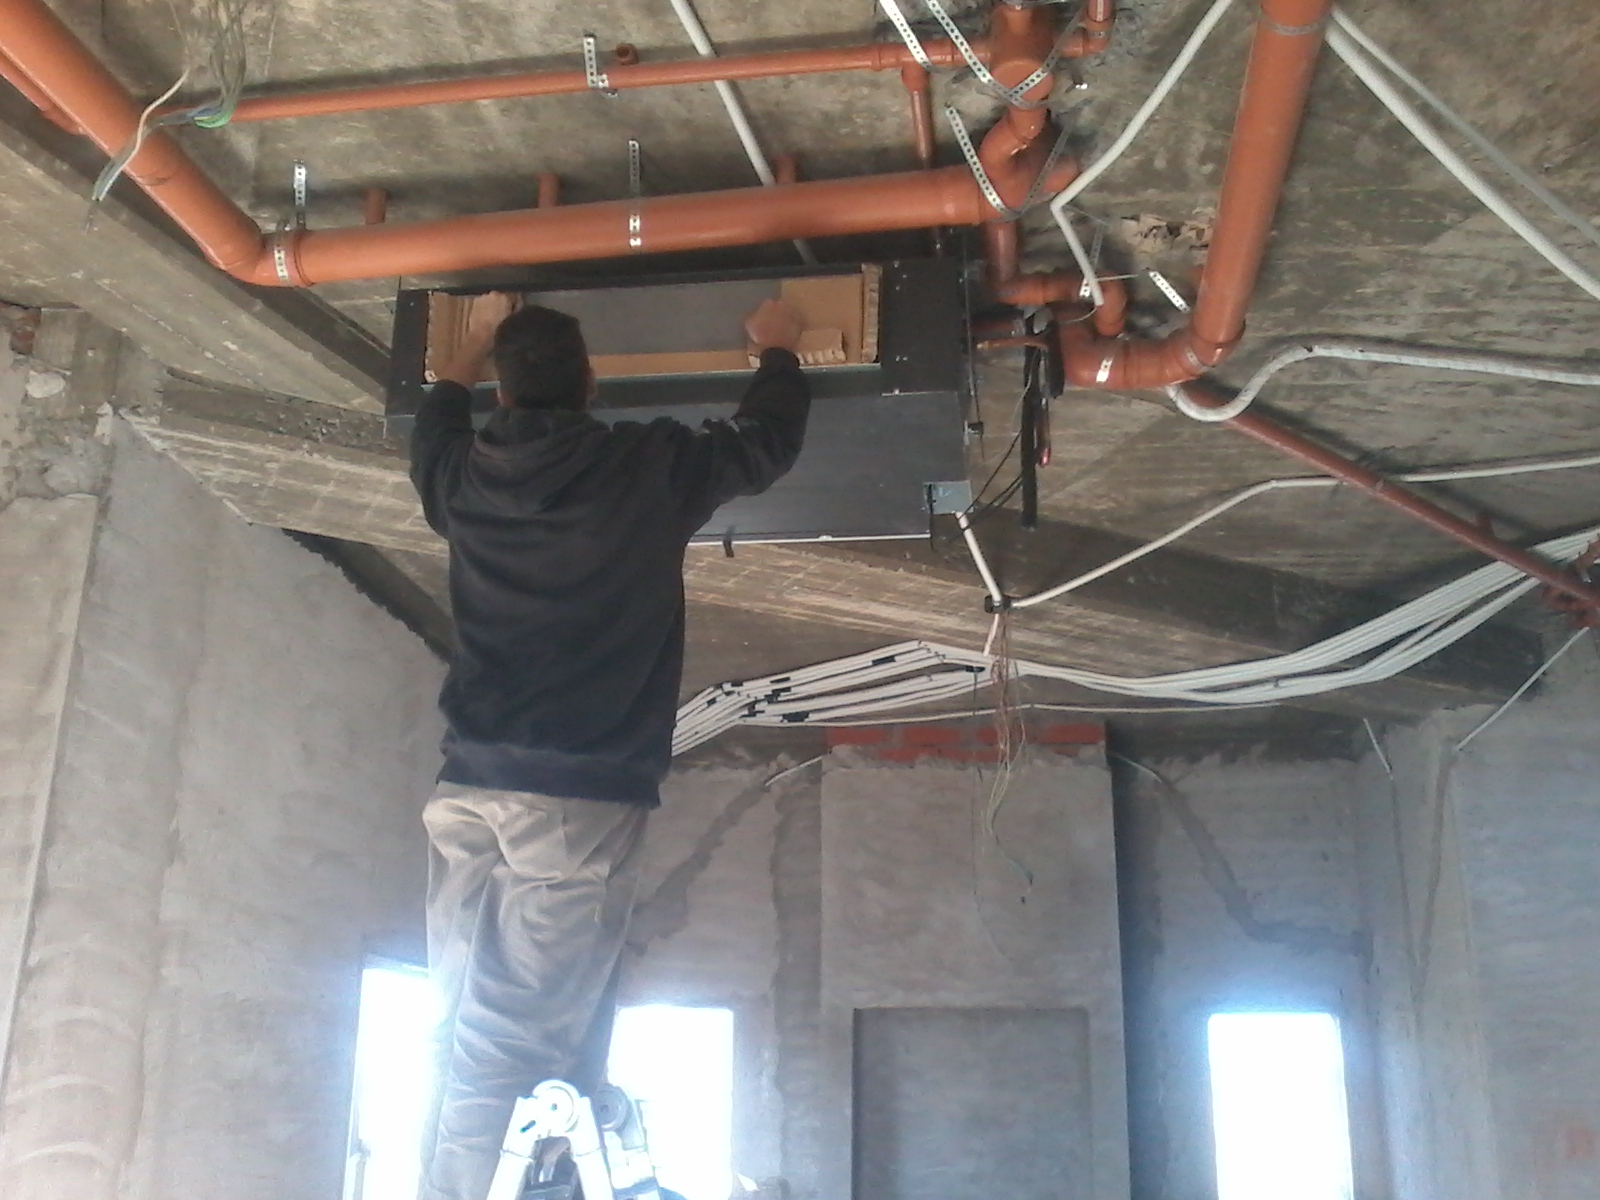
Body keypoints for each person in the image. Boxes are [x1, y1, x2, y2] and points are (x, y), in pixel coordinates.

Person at [408, 292, 810, 1200]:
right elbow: (760, 444)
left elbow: (437, 419)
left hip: (498, 789)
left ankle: (479, 1182)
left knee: (479, 1026)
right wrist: (779, 351)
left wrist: (778, 353)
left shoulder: (466, 478)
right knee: (496, 1027)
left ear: (504, 394)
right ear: (590, 383)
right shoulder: (641, 465)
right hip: (531, 804)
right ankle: (518, 1174)